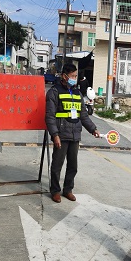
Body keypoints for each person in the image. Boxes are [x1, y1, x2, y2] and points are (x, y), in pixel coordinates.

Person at [45, 63, 100, 203]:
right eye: (73, 76)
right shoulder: (54, 92)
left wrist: (93, 129)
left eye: (76, 76)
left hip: (75, 134)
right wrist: (55, 135)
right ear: (64, 76)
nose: (75, 79)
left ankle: (68, 190)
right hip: (61, 134)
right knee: (57, 165)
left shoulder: (77, 93)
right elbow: (50, 116)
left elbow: (83, 115)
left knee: (73, 166)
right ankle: (55, 191)